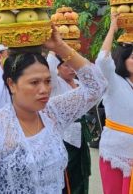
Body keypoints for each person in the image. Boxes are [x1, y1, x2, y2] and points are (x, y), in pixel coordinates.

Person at [0, 27, 107, 194]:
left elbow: (97, 86)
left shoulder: (53, 113)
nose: (44, 89)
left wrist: (60, 47)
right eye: (34, 82)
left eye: (48, 81)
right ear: (12, 84)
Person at [95, 13, 133, 194]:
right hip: (115, 151)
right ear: (124, 60)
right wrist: (112, 28)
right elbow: (102, 60)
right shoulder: (114, 81)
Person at [47, 52, 91, 194]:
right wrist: (55, 49)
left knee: (82, 170)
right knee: (68, 172)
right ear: (58, 68)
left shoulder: (79, 84)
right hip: (65, 136)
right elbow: (49, 66)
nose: (72, 69)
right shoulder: (55, 84)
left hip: (82, 134)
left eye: (73, 65)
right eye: (66, 65)